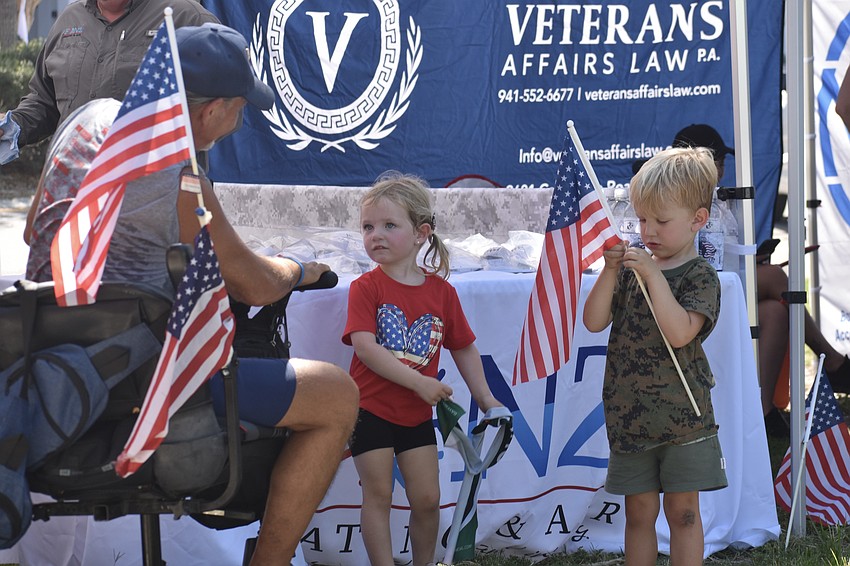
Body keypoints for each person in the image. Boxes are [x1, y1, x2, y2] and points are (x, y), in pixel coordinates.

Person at [24, 23, 359, 566]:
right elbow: (253, 282)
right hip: (140, 382)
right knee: (337, 393)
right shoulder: (182, 175)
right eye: (240, 106)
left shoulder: (82, 129)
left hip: (48, 370)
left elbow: (33, 235)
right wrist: (300, 268)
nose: (244, 118)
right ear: (211, 110)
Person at [342, 173, 503, 566]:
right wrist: (418, 381)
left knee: (427, 500)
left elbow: (464, 347)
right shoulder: (366, 288)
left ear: (421, 233)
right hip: (369, 411)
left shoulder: (441, 292)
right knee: (377, 495)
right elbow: (365, 349)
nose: (375, 235)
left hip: (415, 416)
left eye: (389, 225)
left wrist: (486, 399)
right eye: (368, 227)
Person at [584, 147, 728, 566]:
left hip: (685, 419)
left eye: (661, 221)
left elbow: (681, 332)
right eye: (643, 219)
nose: (649, 231)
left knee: (683, 513)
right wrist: (610, 271)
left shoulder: (700, 274)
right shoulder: (629, 271)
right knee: (638, 514)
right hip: (631, 416)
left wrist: (650, 273)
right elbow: (593, 322)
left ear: (698, 220)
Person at [671, 124, 850, 433]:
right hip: (686, 290)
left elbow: (719, 253)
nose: (721, 168)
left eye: (723, 161)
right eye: (715, 160)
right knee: (778, 277)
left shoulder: (718, 198)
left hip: (719, 283)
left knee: (776, 312)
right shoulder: (673, 194)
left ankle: (762, 410)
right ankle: (832, 361)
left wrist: (749, 258)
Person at [0, 0, 218, 163]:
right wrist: (11, 126)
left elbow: (226, 105)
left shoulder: (186, 17)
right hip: (74, 193)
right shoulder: (68, 20)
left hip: (156, 200)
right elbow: (44, 101)